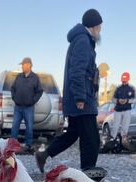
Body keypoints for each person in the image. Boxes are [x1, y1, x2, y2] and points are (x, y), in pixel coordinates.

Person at [35, 8, 102, 172]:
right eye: (99, 26)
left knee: (73, 133)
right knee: (91, 140)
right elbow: (77, 71)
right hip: (82, 99)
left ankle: (43, 155)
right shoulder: (83, 41)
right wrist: (80, 98)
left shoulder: (81, 40)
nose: (100, 30)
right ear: (93, 26)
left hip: (79, 97)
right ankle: (88, 173)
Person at [10, 57, 43, 152]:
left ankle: (28, 145)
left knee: (29, 127)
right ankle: (12, 145)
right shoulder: (18, 76)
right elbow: (13, 88)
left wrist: (33, 100)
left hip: (29, 107)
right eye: (22, 65)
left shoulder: (35, 77)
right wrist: (14, 98)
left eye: (23, 65)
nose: (22, 67)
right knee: (15, 126)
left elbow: (39, 91)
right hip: (18, 107)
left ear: (29, 65)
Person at [110, 72, 136, 139]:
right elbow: (113, 99)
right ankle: (112, 139)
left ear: (128, 79)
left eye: (125, 80)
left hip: (127, 110)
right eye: (123, 80)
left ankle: (123, 141)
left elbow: (135, 99)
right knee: (115, 126)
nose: (124, 82)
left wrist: (127, 101)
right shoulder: (118, 88)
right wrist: (118, 101)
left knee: (125, 127)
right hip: (118, 110)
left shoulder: (132, 88)